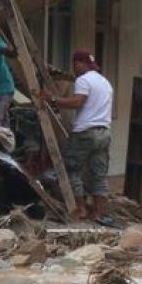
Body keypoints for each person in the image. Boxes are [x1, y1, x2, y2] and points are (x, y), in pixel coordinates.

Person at [48, 49, 114, 223]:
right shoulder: (105, 81)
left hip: (86, 132)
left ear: (79, 63)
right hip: (104, 132)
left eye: (75, 64)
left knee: (72, 169)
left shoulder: (83, 80)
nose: (74, 68)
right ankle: (100, 213)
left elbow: (78, 102)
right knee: (98, 175)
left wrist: (53, 100)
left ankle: (80, 209)